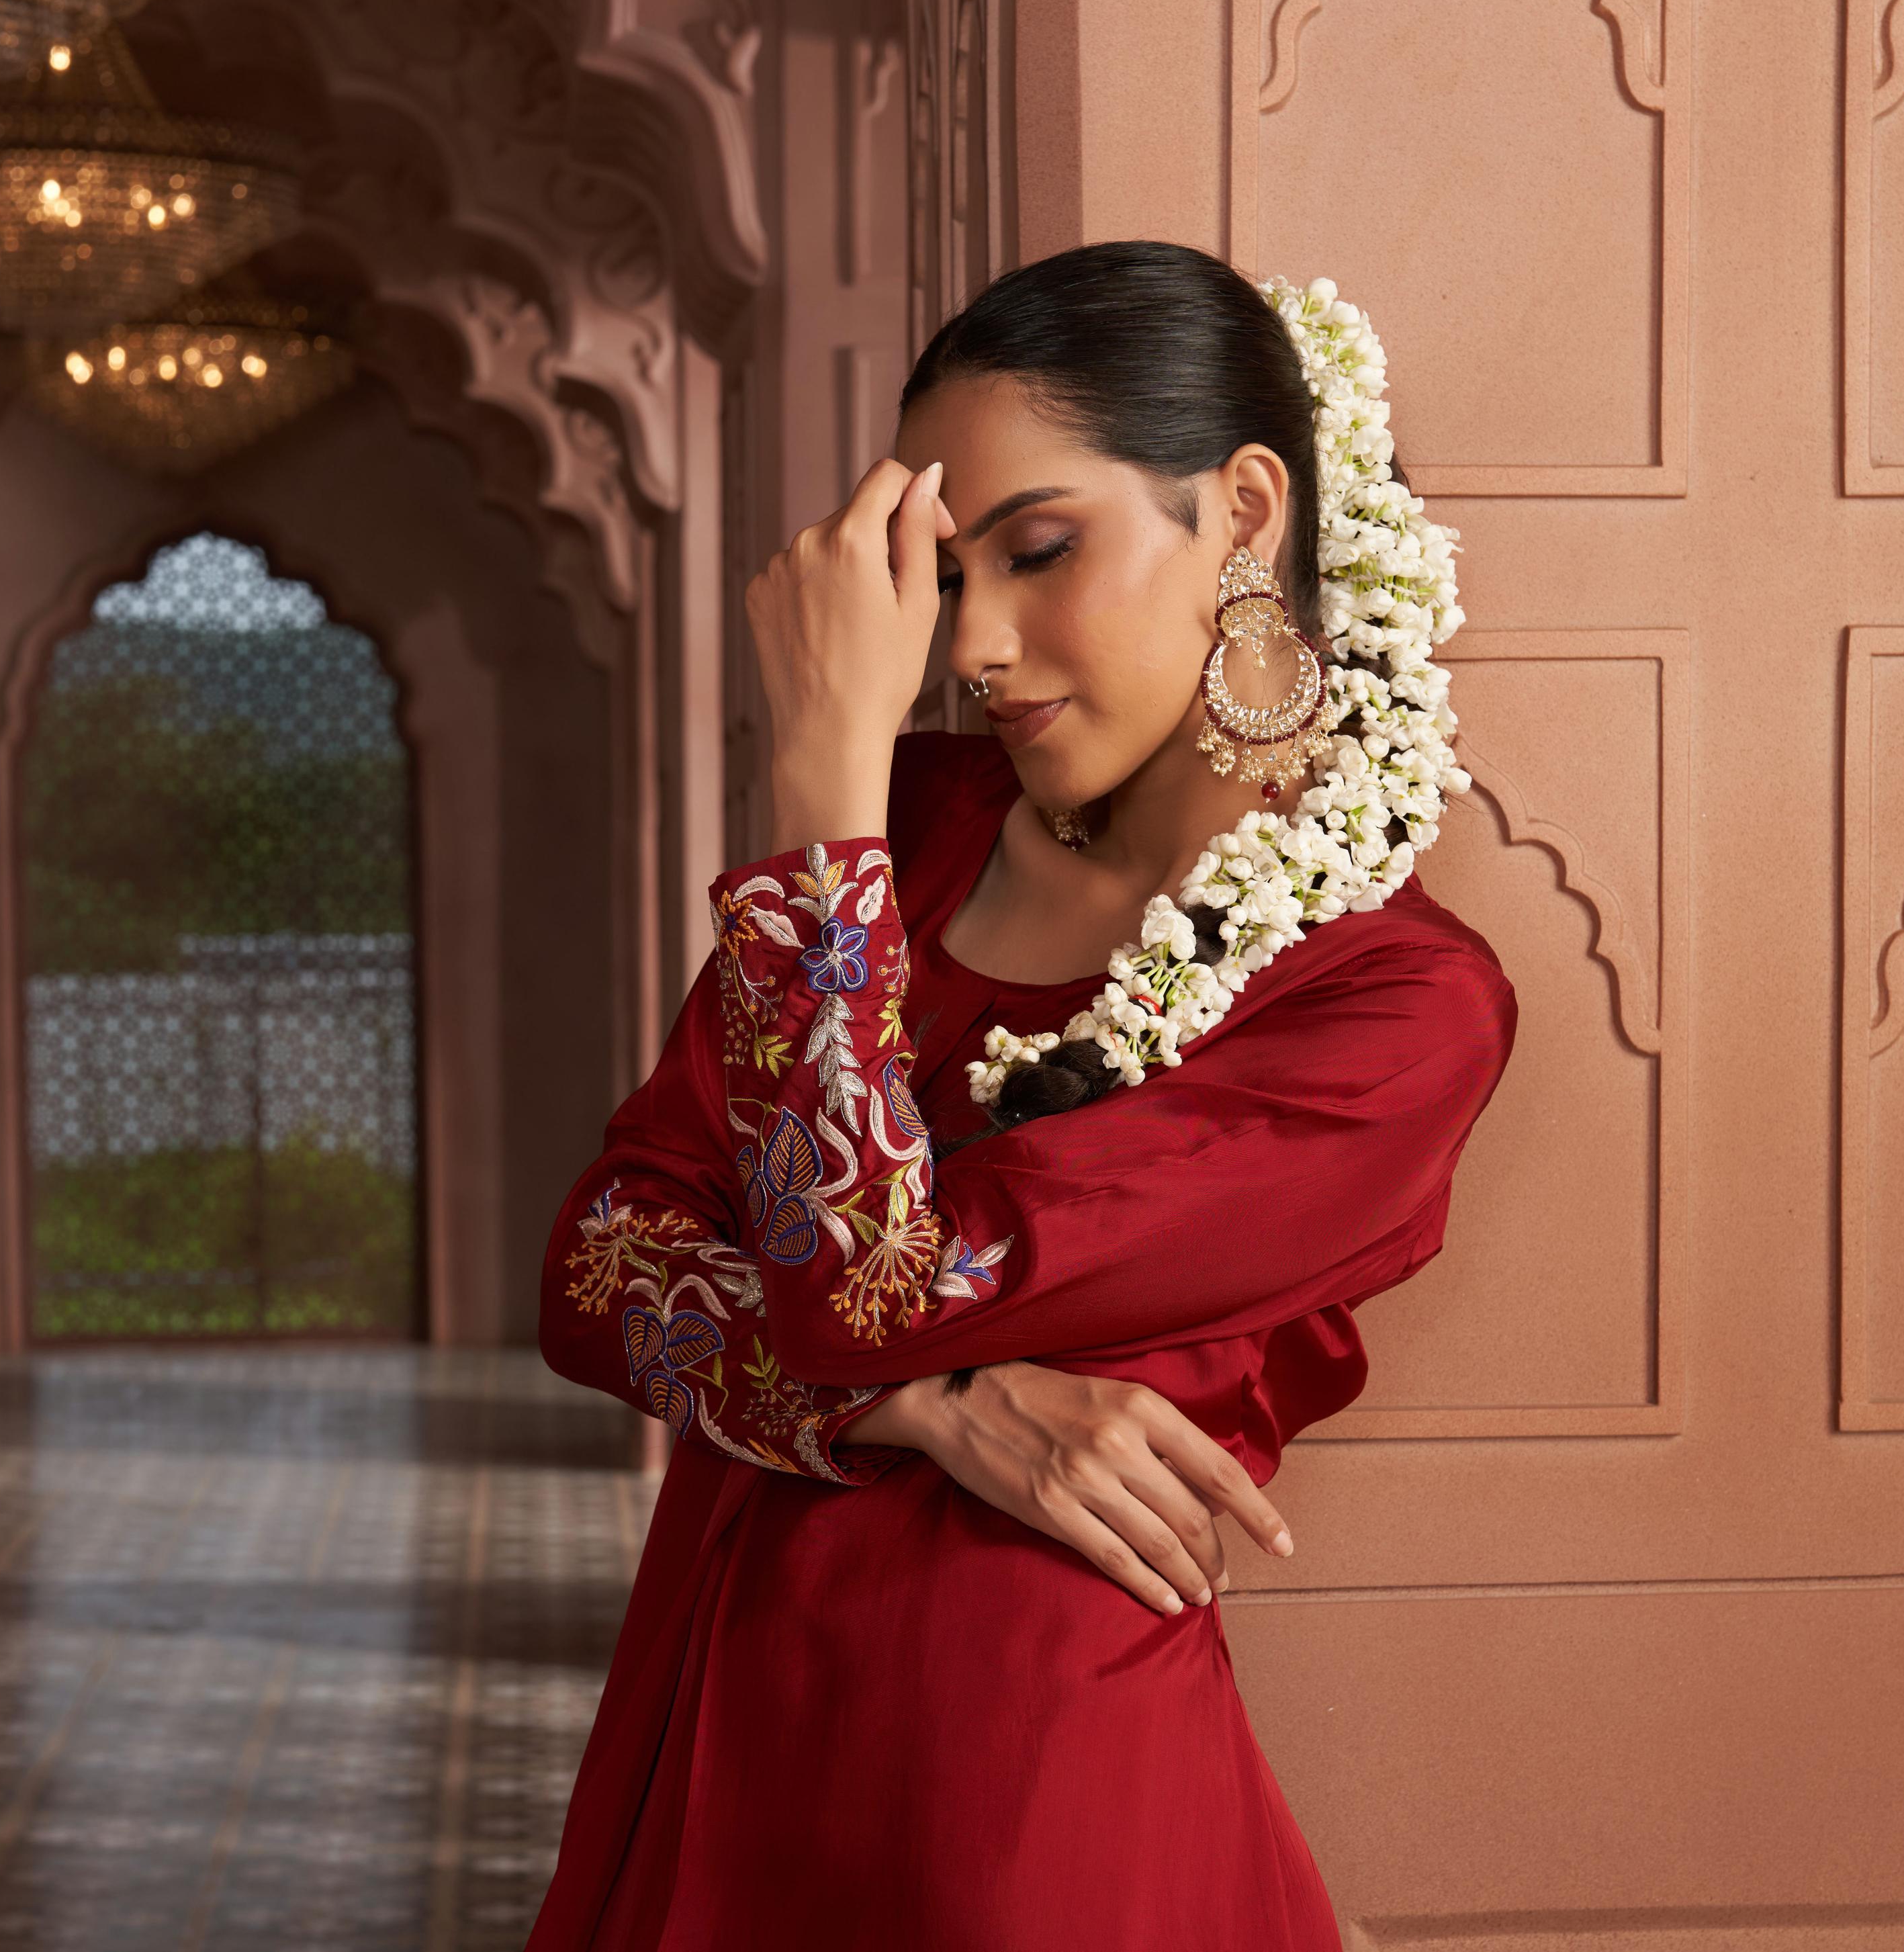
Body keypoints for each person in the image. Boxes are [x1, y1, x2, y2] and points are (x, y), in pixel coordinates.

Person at [525, 241, 1518, 1951]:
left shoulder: (1392, 1010)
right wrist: (924, 1409)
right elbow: (594, 1268)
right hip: (727, 1700)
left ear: (1245, 512)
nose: (970, 646)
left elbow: (858, 1290)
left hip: (1031, 1771)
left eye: (1038, 552)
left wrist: (815, 772)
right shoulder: (915, 834)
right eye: (941, 571)